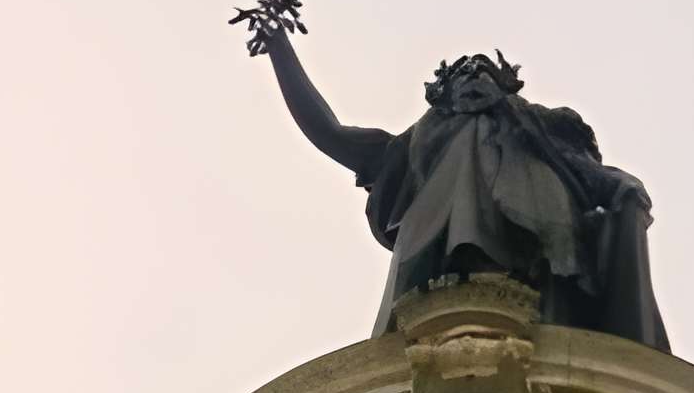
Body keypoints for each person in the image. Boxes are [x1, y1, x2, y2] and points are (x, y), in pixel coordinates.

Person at [257, 34, 670, 349]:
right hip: (431, 285)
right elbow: (330, 133)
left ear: (504, 86)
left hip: (540, 272)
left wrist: (624, 188)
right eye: (462, 73)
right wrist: (279, 49)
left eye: (482, 70)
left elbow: (590, 175)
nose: (472, 75)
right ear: (443, 93)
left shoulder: (542, 129)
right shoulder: (412, 148)